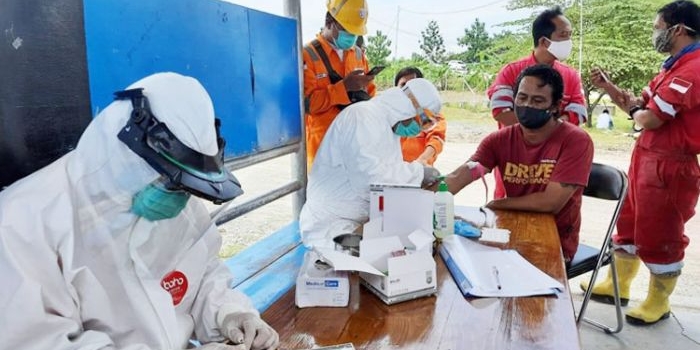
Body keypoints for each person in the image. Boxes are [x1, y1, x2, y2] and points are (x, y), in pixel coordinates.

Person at [0, 73, 279, 350]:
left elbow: (202, 274)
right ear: (129, 157)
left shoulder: (171, 192)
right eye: (172, 183)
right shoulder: (23, 224)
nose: (180, 199)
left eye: (185, 185)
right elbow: (42, 343)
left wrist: (229, 313)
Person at [582, 0, 700, 326]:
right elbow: (637, 107)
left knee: (662, 233)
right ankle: (616, 286)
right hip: (646, 158)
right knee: (629, 224)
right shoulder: (670, 68)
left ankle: (657, 301)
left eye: (657, 26)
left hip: (671, 165)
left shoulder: (693, 69)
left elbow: (649, 118)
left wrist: (638, 112)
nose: (655, 32)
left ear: (677, 29)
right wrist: (608, 87)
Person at [443, 64, 594, 263]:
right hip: (510, 231)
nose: (527, 105)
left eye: (538, 100)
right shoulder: (499, 140)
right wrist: (426, 194)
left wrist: (499, 204)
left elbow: (551, 202)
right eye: (522, 98)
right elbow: (461, 175)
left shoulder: (576, 141)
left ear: (556, 106)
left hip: (555, 241)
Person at [300, 78, 442, 248]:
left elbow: (388, 173)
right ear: (410, 107)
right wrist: (418, 173)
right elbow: (370, 180)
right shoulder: (362, 117)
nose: (420, 130)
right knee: (363, 263)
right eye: (424, 122)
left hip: (359, 221)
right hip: (330, 225)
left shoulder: (387, 127)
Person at [487, 6, 587, 199]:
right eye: (563, 36)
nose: (569, 42)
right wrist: (540, 131)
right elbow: (501, 112)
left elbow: (578, 113)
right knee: (508, 213)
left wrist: (543, 137)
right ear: (543, 41)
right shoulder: (511, 71)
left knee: (553, 214)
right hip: (514, 163)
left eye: (570, 36)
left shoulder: (571, 75)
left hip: (556, 161)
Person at [303, 0, 375, 168]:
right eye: (348, 30)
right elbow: (308, 105)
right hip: (323, 148)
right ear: (329, 23)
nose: (352, 37)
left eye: (356, 32)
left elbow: (371, 94)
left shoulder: (358, 54)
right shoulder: (308, 55)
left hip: (355, 147)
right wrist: (344, 88)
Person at [394, 67, 448, 165]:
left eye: (413, 84)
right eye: (403, 85)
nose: (408, 90)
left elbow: (436, 139)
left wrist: (422, 160)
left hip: (420, 169)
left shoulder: (434, 116)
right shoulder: (390, 114)